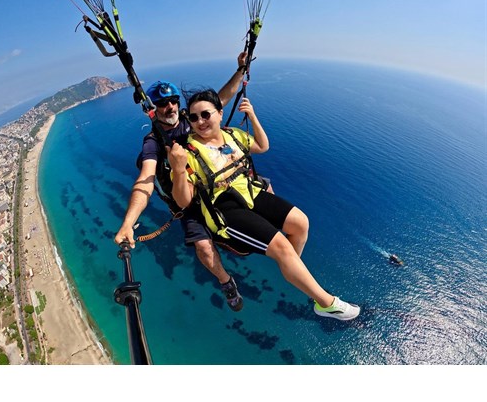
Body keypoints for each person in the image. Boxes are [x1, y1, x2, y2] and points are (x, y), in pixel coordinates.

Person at [167, 88, 361, 320]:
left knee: (300, 223)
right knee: (282, 247)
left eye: (205, 114)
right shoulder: (186, 153)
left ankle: (292, 270)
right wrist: (178, 169)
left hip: (251, 193)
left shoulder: (233, 135)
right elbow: (183, 201)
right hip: (225, 210)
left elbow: (262, 146)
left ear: (219, 113)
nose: (200, 122)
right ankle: (326, 304)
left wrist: (253, 115)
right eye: (194, 117)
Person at [115, 52, 255, 312]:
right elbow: (145, 180)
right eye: (162, 103)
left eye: (173, 101)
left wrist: (240, 70)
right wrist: (128, 223)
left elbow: (220, 100)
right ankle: (226, 281)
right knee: (203, 247)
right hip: (187, 201)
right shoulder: (153, 143)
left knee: (260, 190)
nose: (169, 107)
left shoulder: (191, 120)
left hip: (212, 186)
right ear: (154, 108)